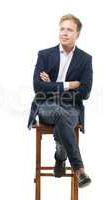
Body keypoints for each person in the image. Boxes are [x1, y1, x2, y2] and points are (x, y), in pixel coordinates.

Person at [28, 14, 93, 188]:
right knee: (58, 113)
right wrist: (69, 85)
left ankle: (60, 155)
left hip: (71, 108)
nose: (64, 33)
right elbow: (37, 87)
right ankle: (79, 170)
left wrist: (51, 86)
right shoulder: (44, 54)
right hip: (46, 106)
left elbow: (85, 92)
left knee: (63, 117)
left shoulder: (85, 59)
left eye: (69, 30)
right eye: (62, 28)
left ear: (77, 34)